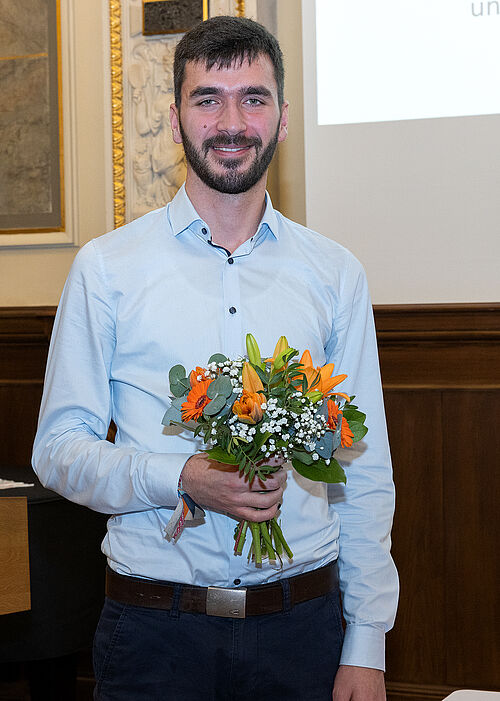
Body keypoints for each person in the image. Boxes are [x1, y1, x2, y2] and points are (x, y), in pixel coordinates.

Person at [32, 15, 398, 701]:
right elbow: (58, 450)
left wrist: (366, 643)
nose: (232, 121)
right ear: (175, 120)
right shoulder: (106, 269)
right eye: (208, 99)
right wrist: (183, 476)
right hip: (154, 637)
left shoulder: (335, 273)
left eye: (253, 98)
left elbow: (365, 474)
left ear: (283, 119)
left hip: (304, 633)